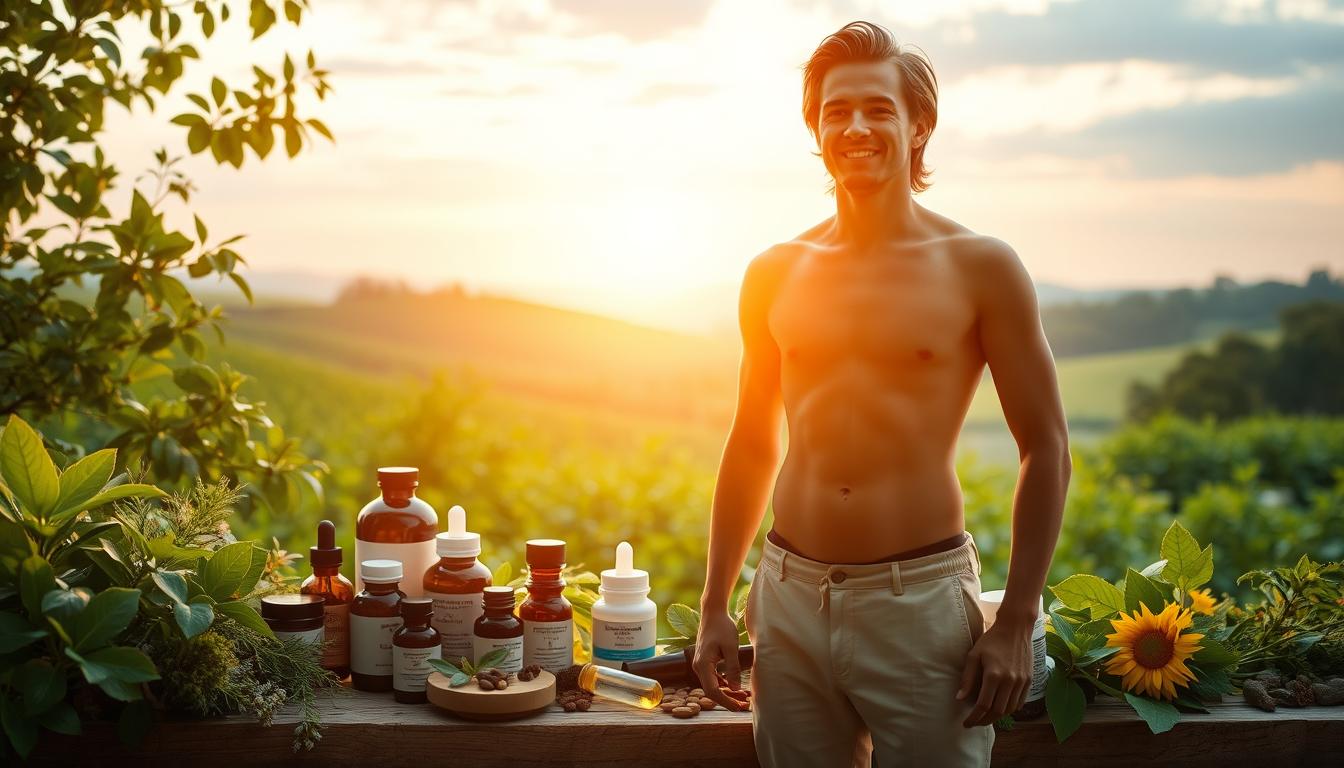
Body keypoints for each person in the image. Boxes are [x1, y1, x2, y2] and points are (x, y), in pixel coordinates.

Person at [692, 20, 1071, 768]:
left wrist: (1016, 619)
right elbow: (752, 440)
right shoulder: (774, 270)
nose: (855, 127)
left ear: (918, 125)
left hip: (920, 604)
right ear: (815, 127)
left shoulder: (980, 266)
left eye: (878, 108)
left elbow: (1046, 447)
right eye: (836, 111)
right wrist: (714, 604)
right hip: (789, 598)